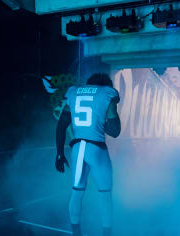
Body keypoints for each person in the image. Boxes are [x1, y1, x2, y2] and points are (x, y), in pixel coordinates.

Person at [55, 73, 121, 236]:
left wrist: (59, 153)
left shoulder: (74, 92)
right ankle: (107, 233)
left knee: (76, 192)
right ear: (106, 84)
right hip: (96, 149)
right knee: (105, 193)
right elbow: (115, 131)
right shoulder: (107, 93)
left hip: (77, 149)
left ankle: (76, 233)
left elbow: (61, 125)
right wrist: (99, 120)